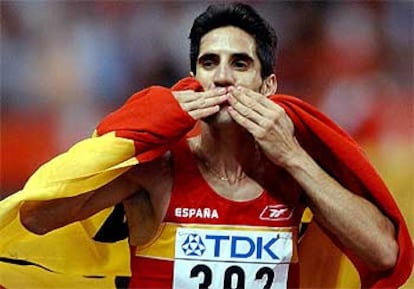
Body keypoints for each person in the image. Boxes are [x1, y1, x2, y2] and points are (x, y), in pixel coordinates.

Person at [1, 3, 412, 289]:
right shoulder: (157, 171)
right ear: (194, 78)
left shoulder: (295, 179)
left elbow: (384, 254)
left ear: (268, 87)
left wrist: (293, 157)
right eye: (209, 63)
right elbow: (36, 217)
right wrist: (141, 128)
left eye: (240, 63)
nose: (223, 77)